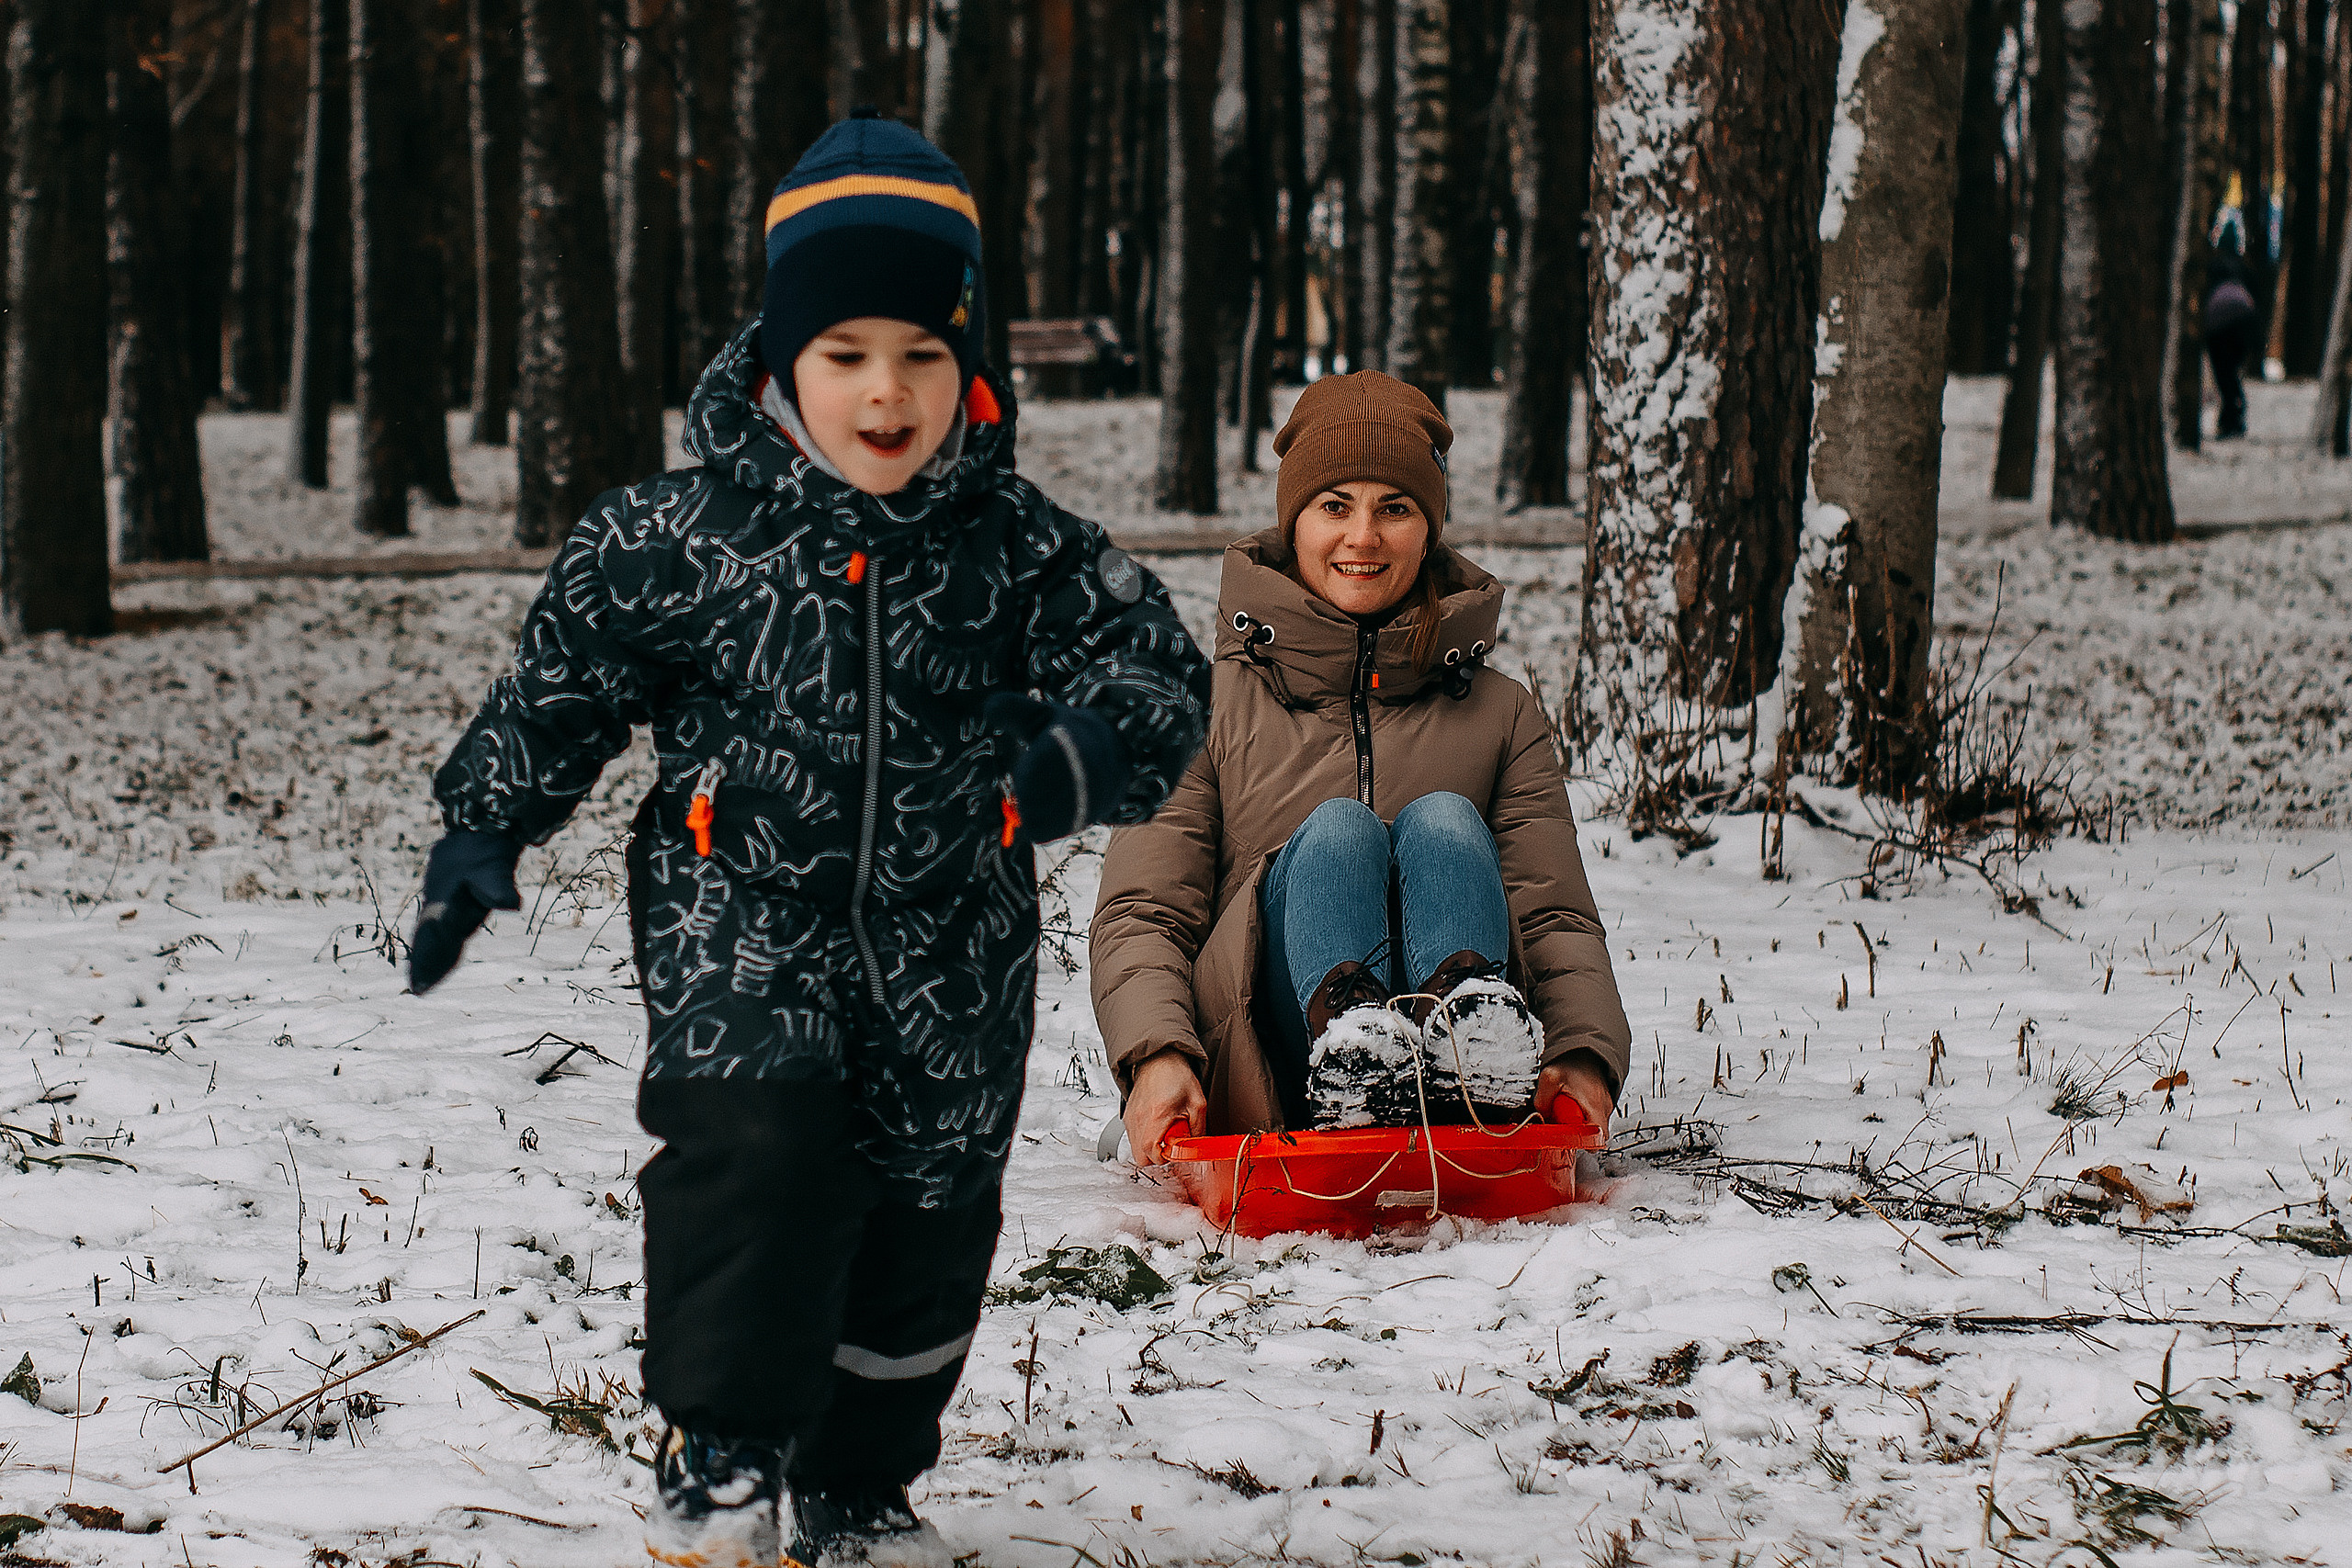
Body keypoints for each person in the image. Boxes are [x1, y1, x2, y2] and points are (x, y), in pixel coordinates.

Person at [406, 111, 1208, 1568]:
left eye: (921, 351)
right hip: (740, 908)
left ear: (972, 361)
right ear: (779, 355)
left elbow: (1155, 670)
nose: (886, 393)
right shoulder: (678, 535)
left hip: (953, 933)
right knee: (753, 1141)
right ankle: (721, 1444)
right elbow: (563, 678)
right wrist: (483, 828)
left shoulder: (1017, 542)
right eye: (845, 355)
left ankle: (860, 1478)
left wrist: (1082, 752)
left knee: (931, 1197)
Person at [1090, 371, 1631, 1168]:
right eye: (1335, 505)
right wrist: (1156, 1053)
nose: (1363, 537)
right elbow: (1144, 911)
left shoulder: (1501, 714)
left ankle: (1470, 1039)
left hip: (1463, 1083)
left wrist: (1584, 1052)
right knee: (1340, 831)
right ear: (1295, 520)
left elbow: (1554, 916)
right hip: (1272, 1056)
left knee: (1446, 818)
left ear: (1429, 527)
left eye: (1395, 507)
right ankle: (1352, 1053)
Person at [2206, 248, 2259, 440]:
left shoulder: (2211, 266)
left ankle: (2230, 418)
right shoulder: (2241, 267)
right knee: (2231, 372)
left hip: (2217, 319)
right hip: (2244, 313)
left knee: (2224, 374)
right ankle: (2234, 414)